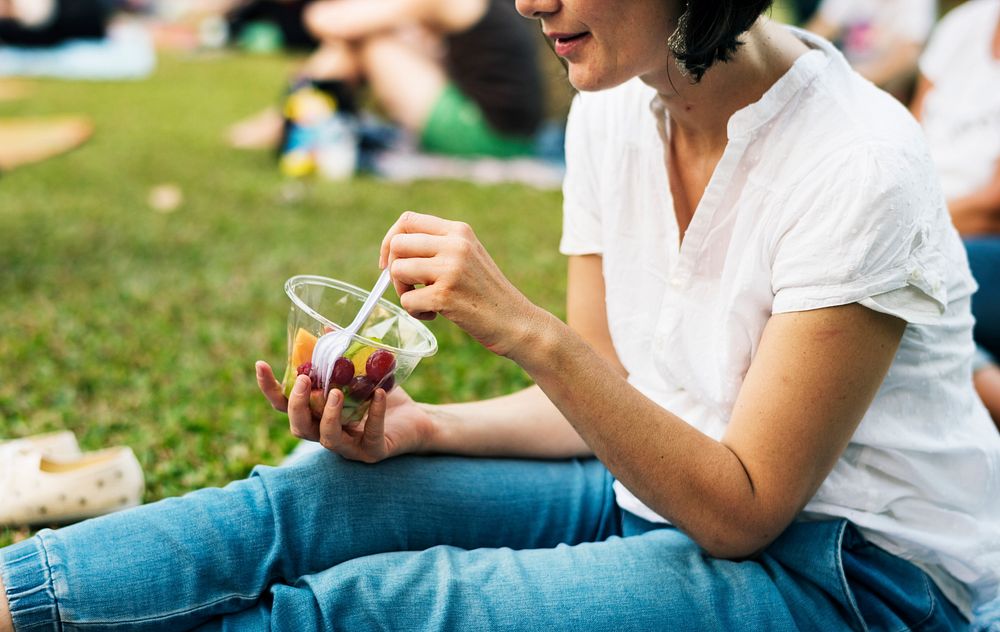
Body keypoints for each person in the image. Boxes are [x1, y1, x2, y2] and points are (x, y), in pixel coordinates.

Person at [2, 1, 1000, 630]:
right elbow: (610, 402)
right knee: (306, 499)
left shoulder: (857, 159)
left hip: (860, 573)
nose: (530, 3)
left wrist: (528, 332)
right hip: (652, 484)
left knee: (381, 608)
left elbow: (742, 509)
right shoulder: (613, 101)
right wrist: (426, 429)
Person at [227, 0, 545, 161]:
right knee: (374, 40)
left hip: (491, 137)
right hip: (508, 131)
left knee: (368, 42)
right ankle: (287, 120)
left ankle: (287, 122)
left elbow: (329, 22)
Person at [910, 0, 1000, 427]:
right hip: (926, 220)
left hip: (980, 237)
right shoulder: (964, 25)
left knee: (903, 289)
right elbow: (908, 132)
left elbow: (992, 204)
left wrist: (909, 224)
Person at [805, 0, 937, 101]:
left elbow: (908, 55)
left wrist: (853, 78)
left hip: (888, 89)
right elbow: (821, 28)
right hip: (847, 76)